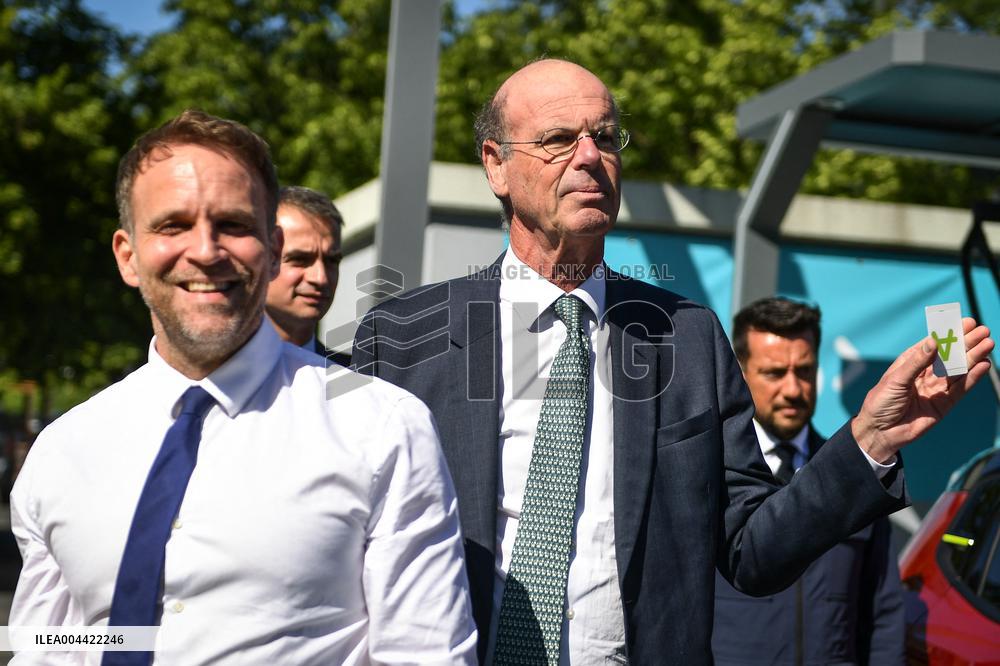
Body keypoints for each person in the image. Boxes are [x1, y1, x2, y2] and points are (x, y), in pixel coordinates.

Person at [351, 59, 993, 665]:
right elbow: (350, 547)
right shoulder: (407, 338)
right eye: (557, 140)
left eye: (604, 137)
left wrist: (869, 440)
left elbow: (752, 551)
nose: (589, 158)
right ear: (496, 166)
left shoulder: (686, 338)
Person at [9, 110, 476, 664]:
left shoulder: (379, 428)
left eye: (233, 224)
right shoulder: (63, 451)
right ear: (128, 256)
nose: (206, 251)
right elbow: (51, 647)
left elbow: (424, 655)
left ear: (272, 249)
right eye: (173, 225)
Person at [713, 297, 904, 665]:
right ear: (740, 373)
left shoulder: (855, 472)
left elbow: (883, 610)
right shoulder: (709, 473)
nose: (793, 389)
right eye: (774, 373)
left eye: (804, 371)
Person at [265, 185, 350, 365]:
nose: (321, 278)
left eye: (331, 261)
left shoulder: (358, 380)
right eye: (300, 259)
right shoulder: (209, 375)